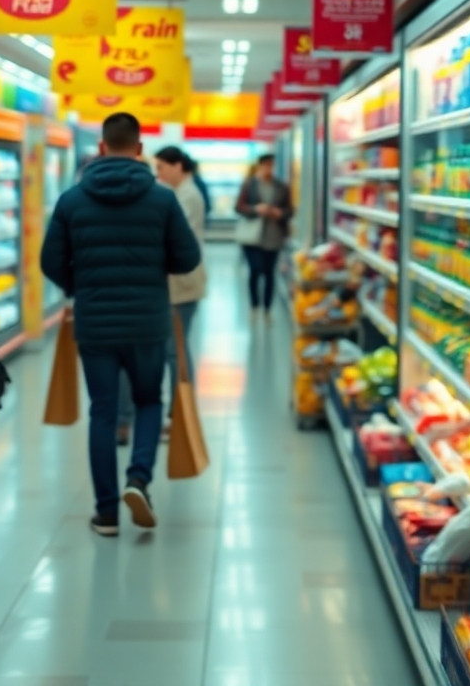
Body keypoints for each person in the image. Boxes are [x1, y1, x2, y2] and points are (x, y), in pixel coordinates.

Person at [41, 113, 201, 535]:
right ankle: (139, 479)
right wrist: (152, 268)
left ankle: (107, 512)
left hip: (94, 322)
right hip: (149, 319)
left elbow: (50, 261)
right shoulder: (163, 200)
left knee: (104, 412)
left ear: (100, 148)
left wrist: (82, 286)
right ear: (140, 149)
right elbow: (187, 259)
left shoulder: (72, 199)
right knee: (149, 400)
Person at [154, 147, 207, 421]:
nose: (158, 174)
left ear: (178, 166)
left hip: (183, 285)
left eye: (161, 167)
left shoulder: (188, 195)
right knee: (175, 349)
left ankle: (181, 414)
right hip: (178, 284)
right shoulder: (180, 193)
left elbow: (173, 235)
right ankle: (179, 410)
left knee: (176, 351)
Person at [235, 153, 294, 321]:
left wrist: (280, 213)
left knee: (269, 273)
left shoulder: (282, 187)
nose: (269, 168)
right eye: (266, 165)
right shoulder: (249, 185)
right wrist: (255, 209)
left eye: (272, 165)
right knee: (255, 270)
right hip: (252, 236)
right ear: (260, 165)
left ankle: (267, 309)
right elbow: (238, 207)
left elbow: (290, 210)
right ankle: (254, 306)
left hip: (274, 235)